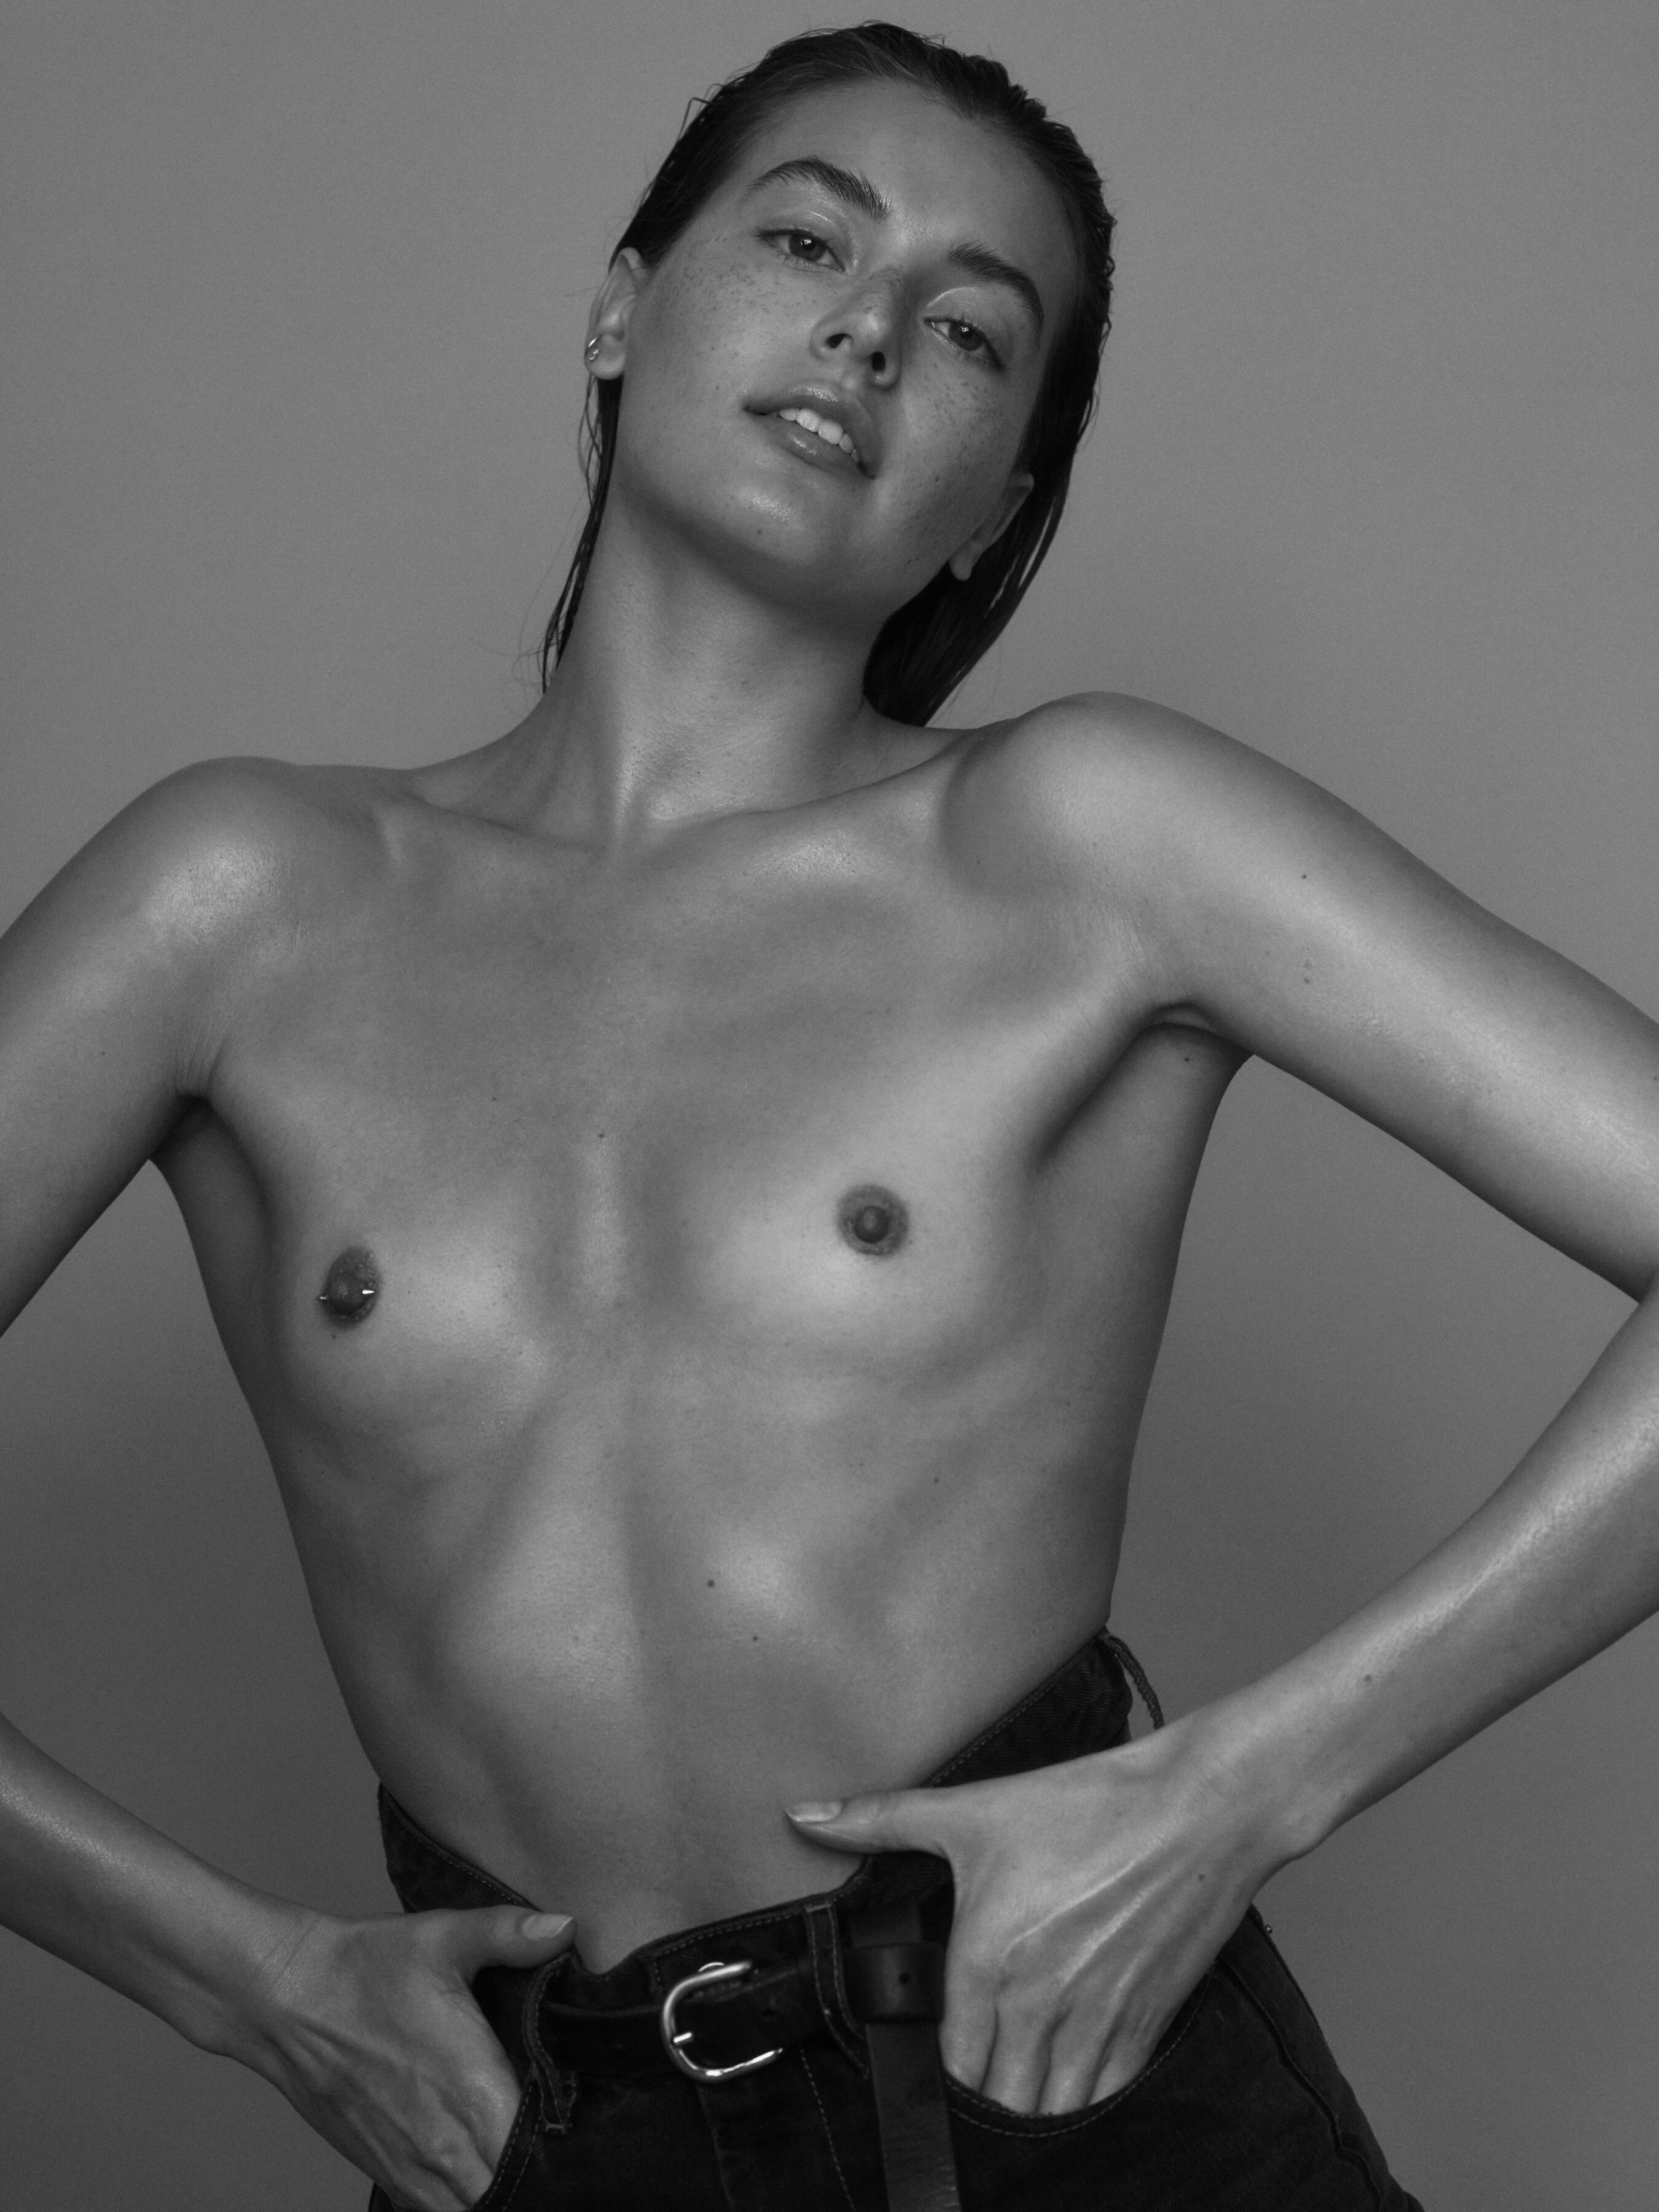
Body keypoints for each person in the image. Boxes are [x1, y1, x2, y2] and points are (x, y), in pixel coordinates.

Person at [1, 20, 1655, 2210]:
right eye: (805, 243)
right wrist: (237, 1977)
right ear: (621, 307)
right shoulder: (235, 901)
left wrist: (1244, 1790)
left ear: (1001, 496)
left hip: (1067, 2086)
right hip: (527, 2137)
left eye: (970, 333)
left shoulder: (1085, 838)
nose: (868, 334)